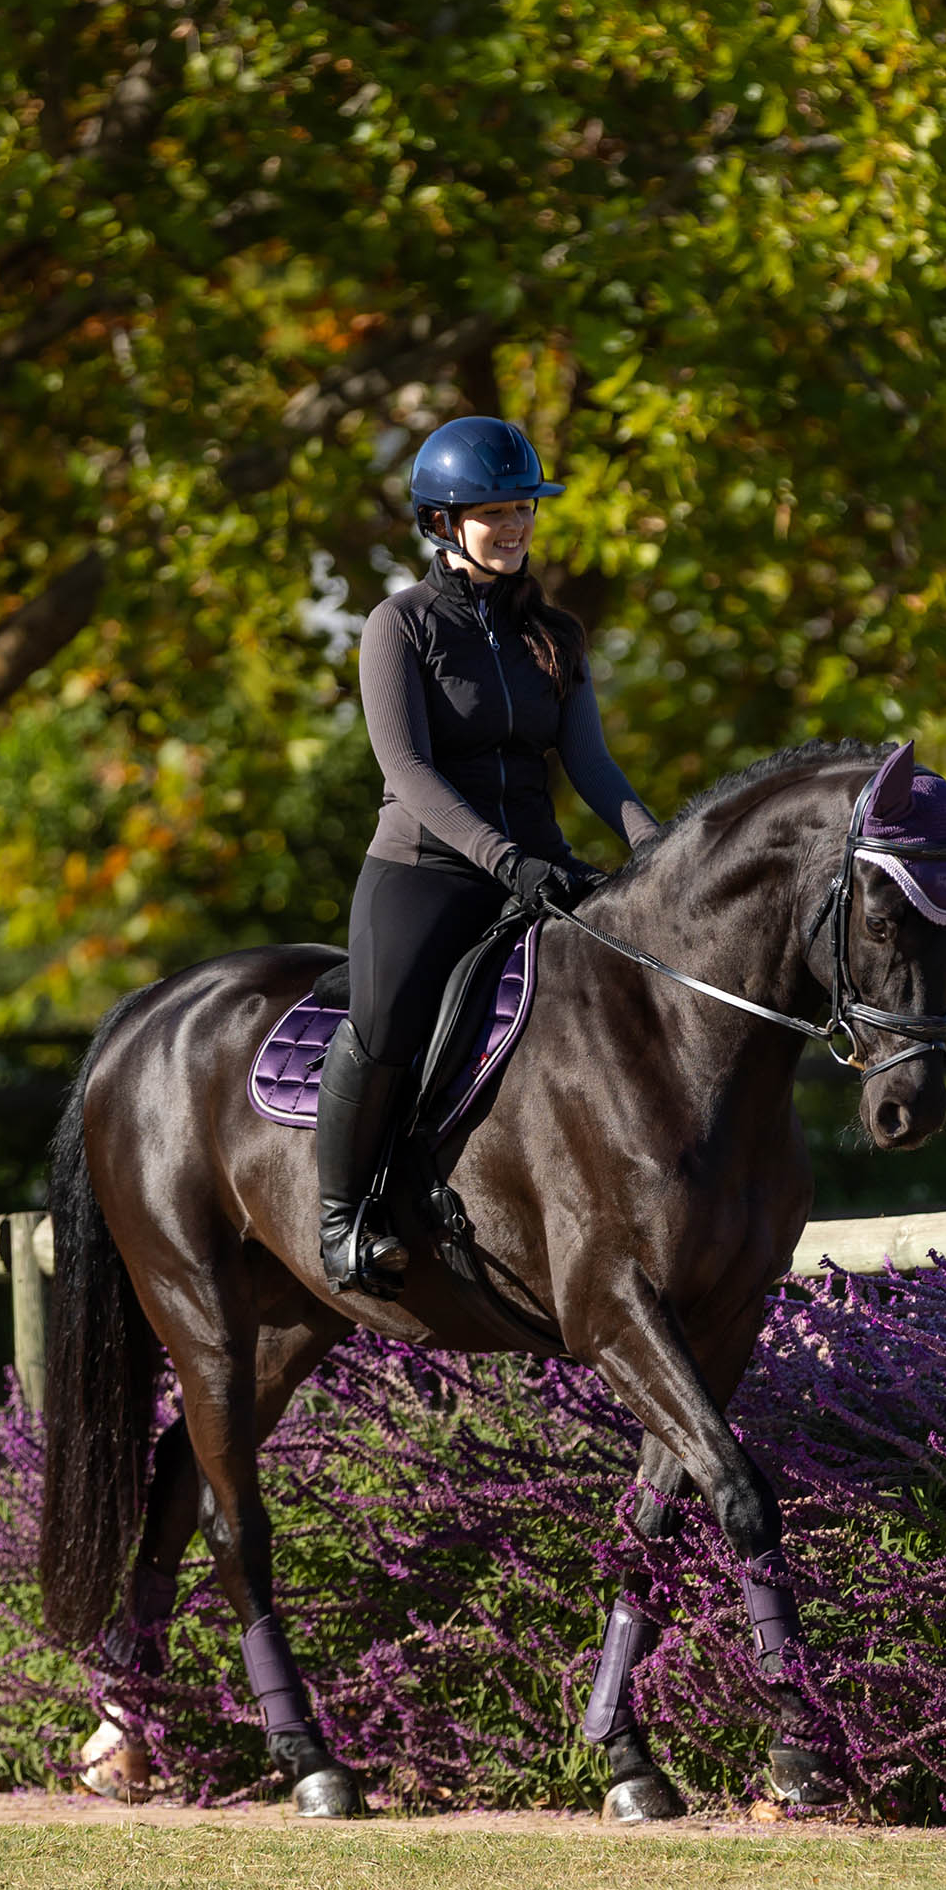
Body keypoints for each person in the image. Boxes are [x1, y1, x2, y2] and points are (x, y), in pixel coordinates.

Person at [316, 416, 659, 1294]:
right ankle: (342, 1219)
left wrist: (658, 851)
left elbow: (589, 763)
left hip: (539, 865)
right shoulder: (400, 627)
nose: (514, 528)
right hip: (425, 869)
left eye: (523, 510)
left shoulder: (557, 634)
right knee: (389, 1022)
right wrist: (503, 860)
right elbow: (409, 770)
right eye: (492, 512)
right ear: (442, 523)